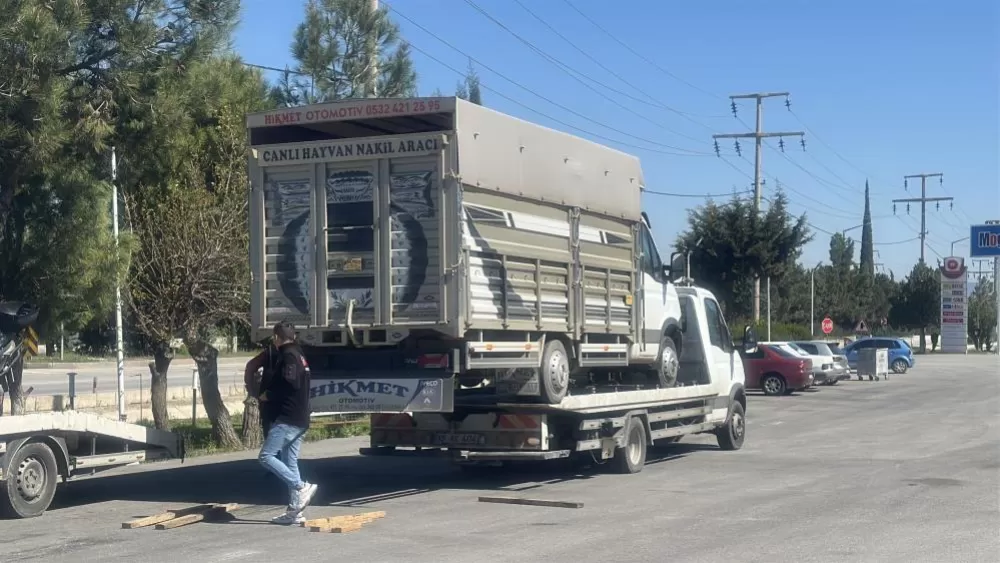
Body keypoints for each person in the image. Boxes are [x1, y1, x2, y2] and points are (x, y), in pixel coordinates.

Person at [257, 321, 317, 525]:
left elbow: (291, 383)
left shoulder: (289, 356)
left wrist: (268, 395)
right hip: (300, 417)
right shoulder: (299, 354)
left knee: (266, 456)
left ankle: (301, 487)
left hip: (288, 418)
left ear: (276, 337)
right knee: (290, 462)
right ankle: (294, 512)